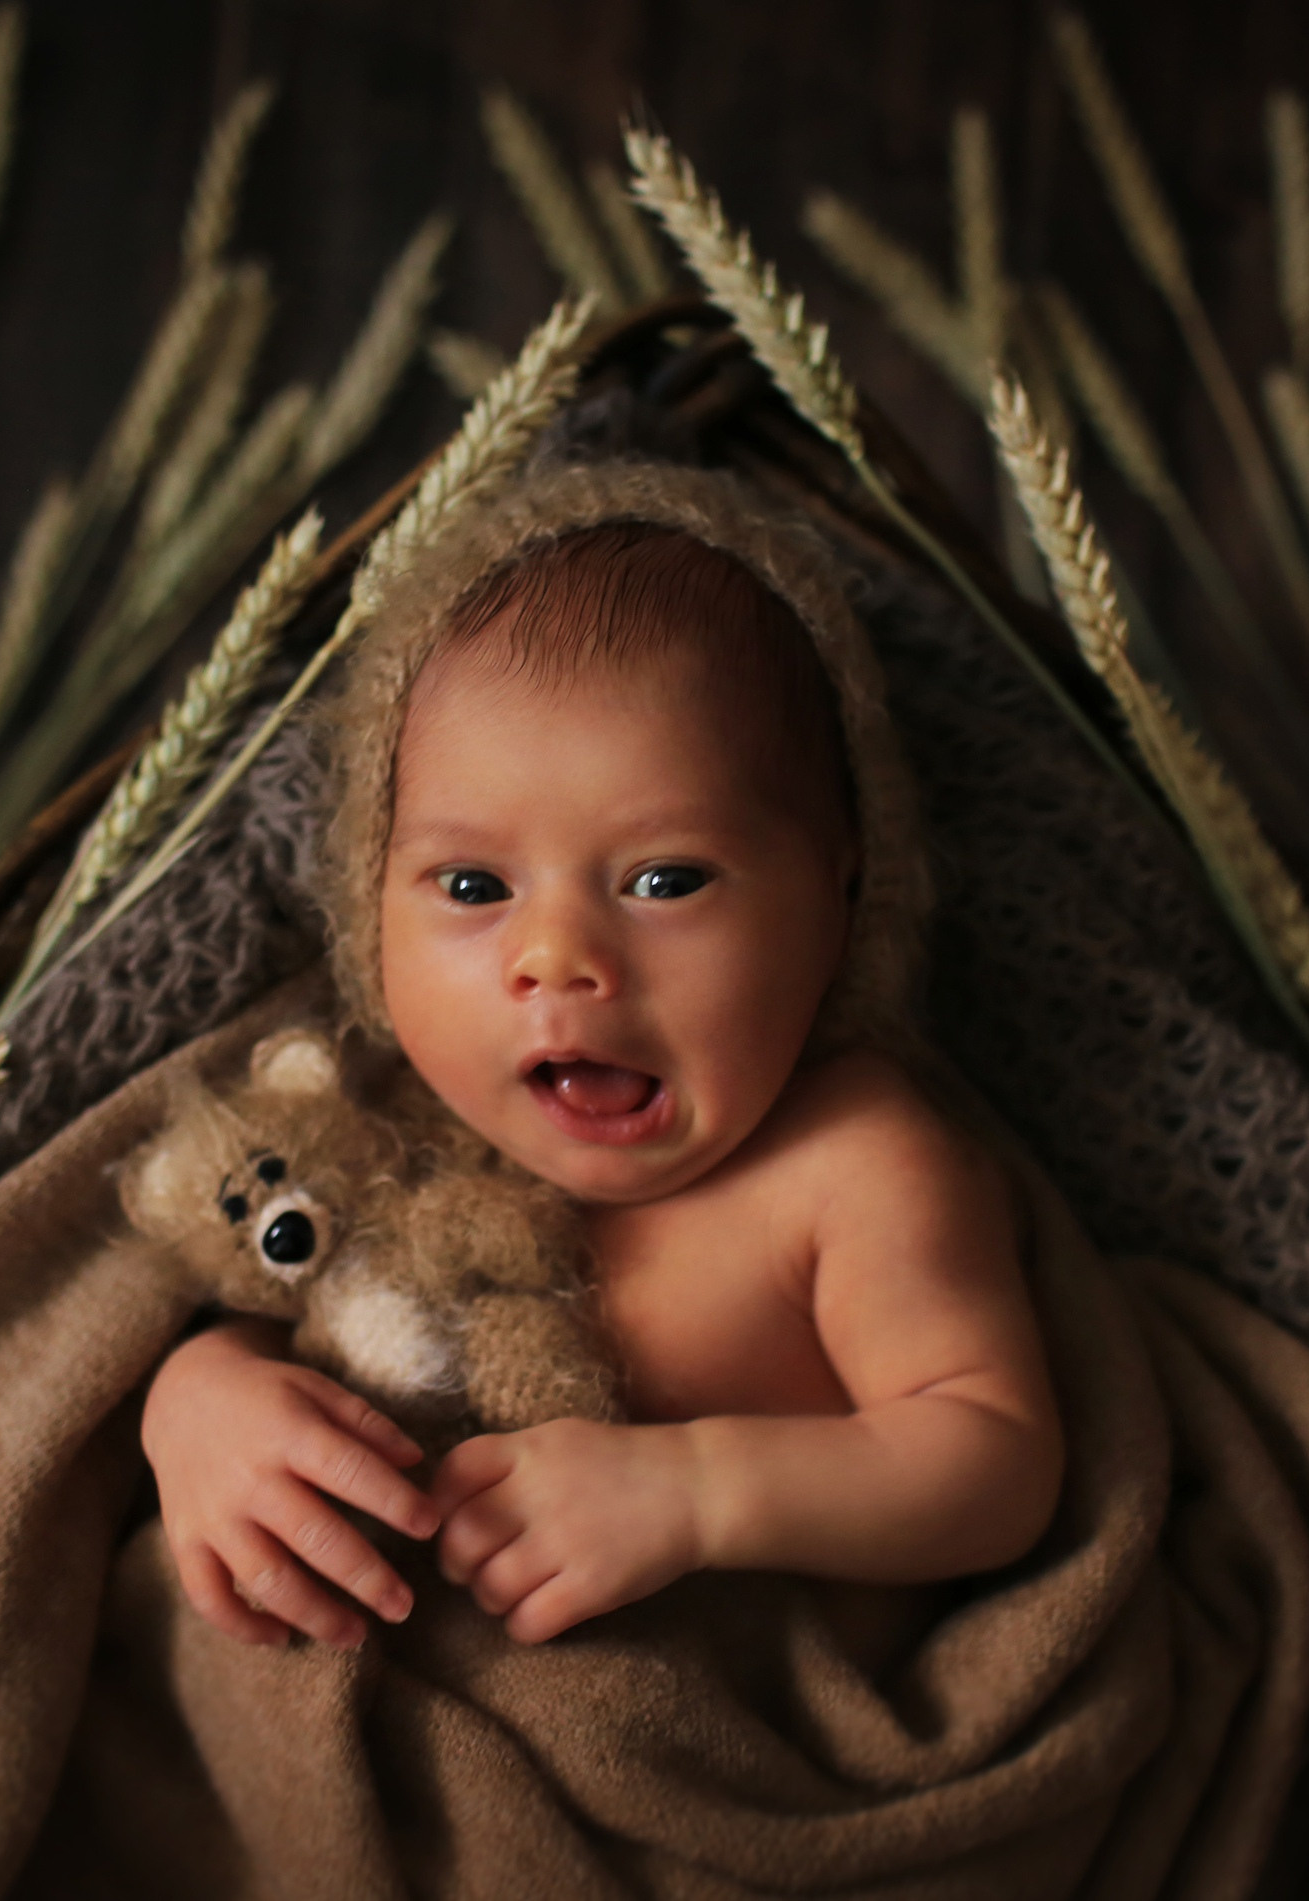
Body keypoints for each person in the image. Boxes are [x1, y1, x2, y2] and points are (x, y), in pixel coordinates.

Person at [140, 494, 1064, 1653]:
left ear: (838, 895)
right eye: (474, 888)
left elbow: (992, 1460)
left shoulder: (855, 1164)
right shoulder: (391, 1126)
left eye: (665, 880)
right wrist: (200, 1401)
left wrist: (696, 1488)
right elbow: (291, 1306)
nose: (558, 959)